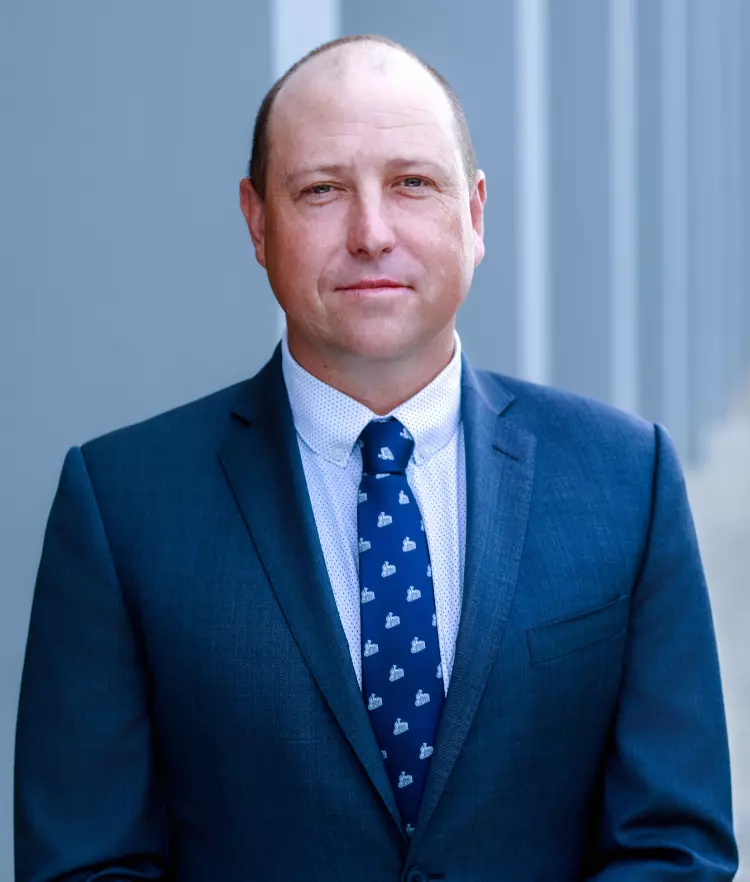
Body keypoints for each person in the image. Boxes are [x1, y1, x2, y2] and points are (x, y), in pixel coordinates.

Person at [14, 33, 738, 882]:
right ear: (257, 220)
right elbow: (86, 864)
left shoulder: (626, 479)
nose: (371, 232)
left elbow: (676, 849)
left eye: (412, 184)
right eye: (321, 190)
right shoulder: (122, 507)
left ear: (474, 215)